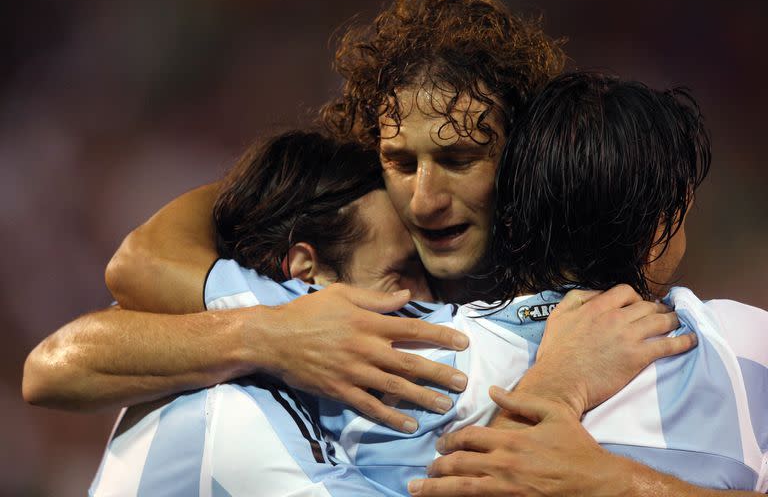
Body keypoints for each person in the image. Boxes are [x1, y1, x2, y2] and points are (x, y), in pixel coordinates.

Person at [93, 74, 765, 496]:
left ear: (511, 194)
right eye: (399, 162)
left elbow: (124, 292)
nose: (424, 201)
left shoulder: (401, 349)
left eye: (457, 158)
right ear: (660, 227)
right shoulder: (746, 344)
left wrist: (607, 480)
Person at [410, 72, 768, 496]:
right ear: (656, 236)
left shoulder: (421, 358)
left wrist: (613, 481)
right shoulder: (742, 343)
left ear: (512, 215)